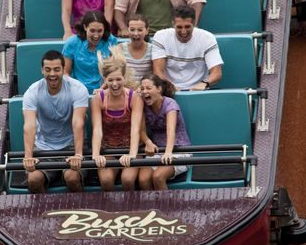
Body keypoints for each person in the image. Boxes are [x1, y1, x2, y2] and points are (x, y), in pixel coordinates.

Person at [22, 50, 89, 193]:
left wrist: (78, 154)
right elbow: (29, 125)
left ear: (63, 69)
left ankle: (78, 211)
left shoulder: (77, 89)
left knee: (72, 177)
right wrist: (28, 156)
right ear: (42, 70)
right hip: (43, 147)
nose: (52, 74)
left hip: (71, 144)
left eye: (56, 69)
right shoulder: (33, 91)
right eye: (48, 70)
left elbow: (78, 122)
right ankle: (43, 214)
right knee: (34, 179)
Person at [91, 53, 143, 191]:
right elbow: (97, 129)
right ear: (104, 80)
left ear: (124, 78)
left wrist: (132, 154)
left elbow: (135, 128)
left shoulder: (134, 97)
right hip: (108, 149)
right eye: (110, 80)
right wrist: (96, 154)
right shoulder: (98, 99)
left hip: (130, 147)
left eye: (118, 79)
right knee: (106, 180)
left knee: (127, 179)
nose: (115, 84)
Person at [138, 74, 191, 190]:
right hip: (157, 150)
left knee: (158, 176)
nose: (144, 91)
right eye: (142, 89)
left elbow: (170, 130)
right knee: (143, 179)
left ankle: (166, 208)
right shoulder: (142, 106)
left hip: (178, 150)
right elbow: (140, 130)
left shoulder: (170, 104)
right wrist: (148, 142)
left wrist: (168, 152)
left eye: (148, 88)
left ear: (159, 89)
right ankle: (150, 207)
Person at [152, 4, 223, 91]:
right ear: (173, 24)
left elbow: (216, 72)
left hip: (199, 90)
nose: (183, 31)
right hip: (170, 90)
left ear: (194, 24)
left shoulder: (207, 38)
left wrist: (204, 83)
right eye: (179, 27)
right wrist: (170, 87)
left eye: (187, 26)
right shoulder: (161, 37)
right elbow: (158, 71)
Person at [63, 10, 118, 94]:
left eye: (100, 31)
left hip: (105, 91)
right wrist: (76, 89)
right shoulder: (72, 43)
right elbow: (65, 73)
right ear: (85, 27)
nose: (96, 35)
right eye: (92, 31)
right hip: (78, 92)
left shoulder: (111, 41)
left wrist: (104, 88)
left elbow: (115, 70)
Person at [119, 13, 153, 83]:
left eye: (140, 30)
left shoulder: (153, 49)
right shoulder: (120, 49)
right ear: (128, 30)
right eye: (132, 30)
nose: (136, 33)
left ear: (147, 31)